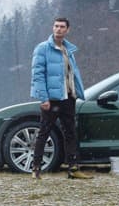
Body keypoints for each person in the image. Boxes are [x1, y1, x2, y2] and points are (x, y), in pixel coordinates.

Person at [29, 16, 89, 179]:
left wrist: (76, 92)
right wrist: (44, 98)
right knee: (44, 132)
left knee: (70, 133)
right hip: (52, 99)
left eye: (62, 27)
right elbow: (38, 75)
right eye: (56, 26)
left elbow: (71, 74)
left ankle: (73, 169)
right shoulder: (42, 48)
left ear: (67, 30)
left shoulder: (68, 49)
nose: (58, 29)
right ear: (52, 28)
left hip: (68, 97)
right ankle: (36, 169)